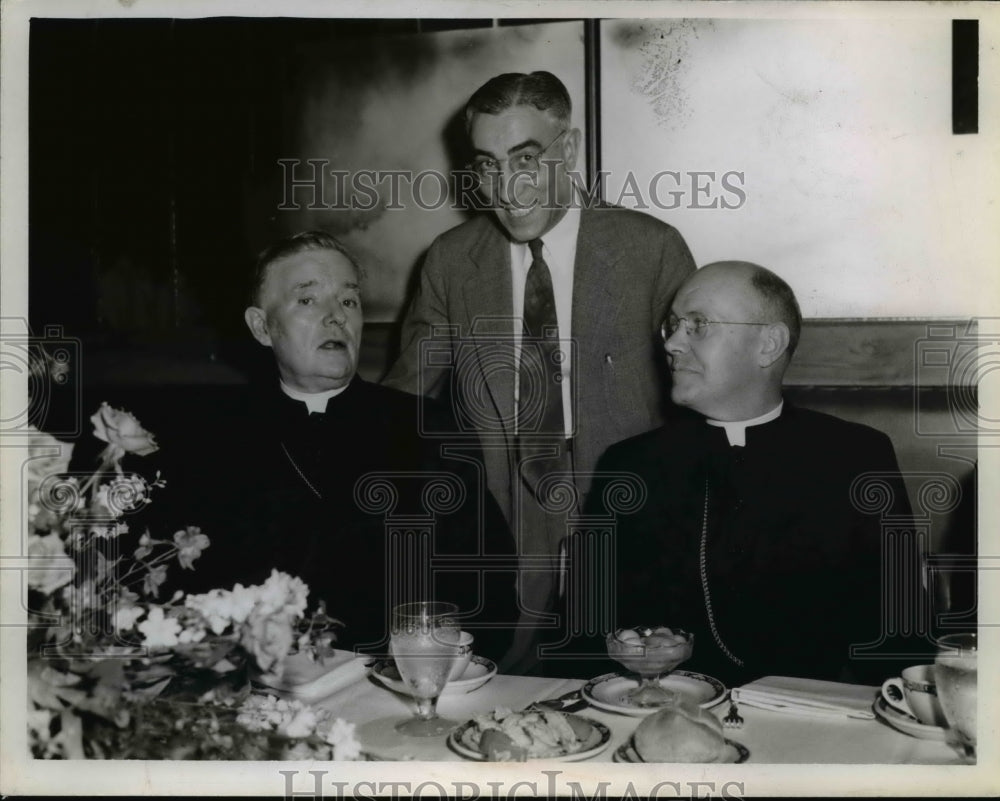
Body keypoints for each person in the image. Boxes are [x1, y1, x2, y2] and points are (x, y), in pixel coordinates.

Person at [383, 71, 696, 673]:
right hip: (502, 508)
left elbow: (697, 404)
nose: (507, 187)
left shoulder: (651, 249)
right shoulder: (451, 261)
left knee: (625, 685)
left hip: (622, 502)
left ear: (569, 149)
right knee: (500, 684)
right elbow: (407, 397)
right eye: (487, 164)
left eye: (525, 159)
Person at [152, 231, 516, 660]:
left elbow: (487, 593)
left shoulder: (431, 432)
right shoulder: (208, 444)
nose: (336, 318)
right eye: (308, 301)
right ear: (261, 326)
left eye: (348, 301)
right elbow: (182, 595)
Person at [582, 262, 912, 686]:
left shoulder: (857, 458)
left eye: (698, 325)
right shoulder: (628, 467)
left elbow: (900, 641)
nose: (674, 344)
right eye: (673, 325)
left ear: (769, 344)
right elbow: (582, 634)